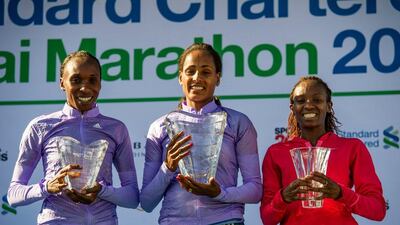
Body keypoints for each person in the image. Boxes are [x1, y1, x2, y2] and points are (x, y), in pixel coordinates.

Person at [7, 50, 140, 225]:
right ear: (62, 83)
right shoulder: (40, 127)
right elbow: (13, 195)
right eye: (76, 80)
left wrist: (102, 190)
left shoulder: (116, 129)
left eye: (92, 80)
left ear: (100, 83)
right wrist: (47, 187)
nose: (85, 88)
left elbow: (132, 197)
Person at [140, 43, 262, 225]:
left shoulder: (237, 122)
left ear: (217, 78)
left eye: (206, 72)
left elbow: (255, 190)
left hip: (225, 220)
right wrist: (168, 167)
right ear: (180, 77)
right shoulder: (160, 127)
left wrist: (220, 193)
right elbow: (147, 202)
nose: (197, 78)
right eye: (190, 71)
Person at [260, 76, 386, 225]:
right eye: (300, 101)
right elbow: (267, 219)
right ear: (292, 107)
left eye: (317, 100)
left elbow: (378, 210)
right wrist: (283, 198)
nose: (308, 106)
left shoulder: (353, 147)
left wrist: (340, 193)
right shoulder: (276, 153)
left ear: (329, 106)